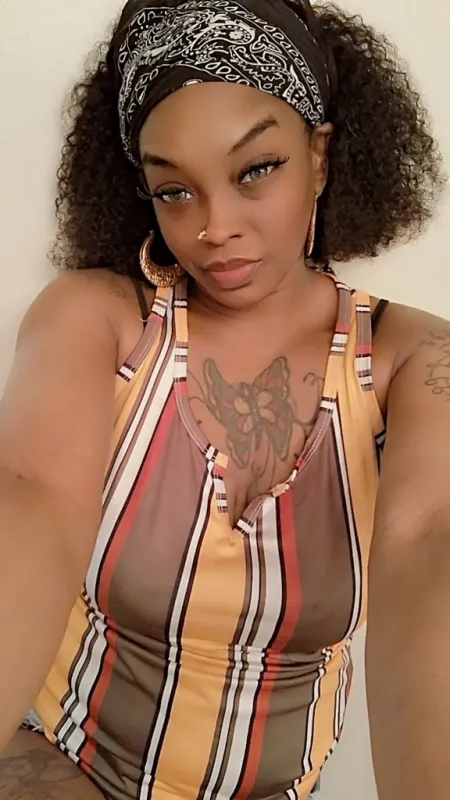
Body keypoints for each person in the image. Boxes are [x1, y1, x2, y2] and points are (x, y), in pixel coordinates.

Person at [0, 0, 448, 798]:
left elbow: (430, 545)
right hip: (59, 767)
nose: (215, 226)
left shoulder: (413, 360)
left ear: (319, 156)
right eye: (175, 190)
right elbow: (31, 497)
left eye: (256, 169)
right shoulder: (101, 322)